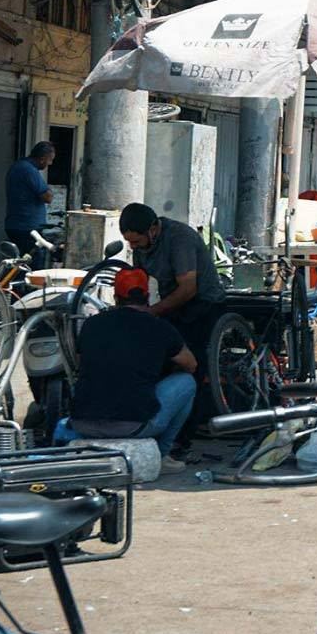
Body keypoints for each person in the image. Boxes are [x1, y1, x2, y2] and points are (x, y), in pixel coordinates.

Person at [66, 268, 197, 474]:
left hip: (82, 423)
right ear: (147, 296)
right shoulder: (159, 327)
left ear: (117, 298)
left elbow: (81, 363)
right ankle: (162, 456)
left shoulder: (91, 324)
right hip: (132, 426)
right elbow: (191, 365)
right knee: (187, 382)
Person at [119, 203, 226, 375]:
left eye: (136, 241)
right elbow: (140, 281)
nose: (132, 247)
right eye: (129, 242)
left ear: (152, 230)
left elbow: (188, 289)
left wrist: (152, 311)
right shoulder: (141, 246)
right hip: (172, 304)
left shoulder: (180, 239)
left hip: (204, 304)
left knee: (192, 361)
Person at [4, 141, 55, 269]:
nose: (50, 164)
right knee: (33, 267)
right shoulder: (29, 170)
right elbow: (47, 197)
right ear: (42, 159)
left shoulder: (18, 166)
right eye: (50, 160)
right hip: (28, 228)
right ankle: (28, 289)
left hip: (16, 224)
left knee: (20, 264)